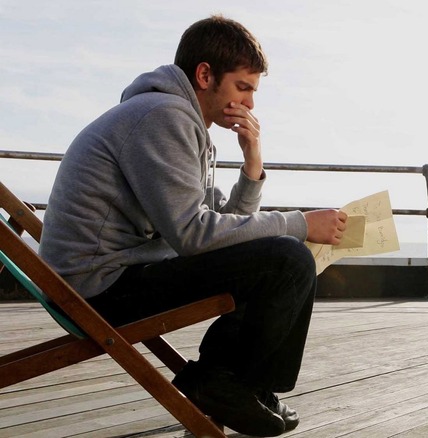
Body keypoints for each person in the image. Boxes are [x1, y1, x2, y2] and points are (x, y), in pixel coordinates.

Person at [38, 15, 347, 437]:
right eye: (244, 87)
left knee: (277, 255)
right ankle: (231, 384)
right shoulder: (162, 117)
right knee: (287, 258)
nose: (251, 104)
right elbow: (194, 235)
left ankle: (233, 384)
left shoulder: (174, 118)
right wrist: (299, 223)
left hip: (105, 277)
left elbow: (224, 229)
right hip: (96, 290)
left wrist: (252, 164)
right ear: (205, 74)